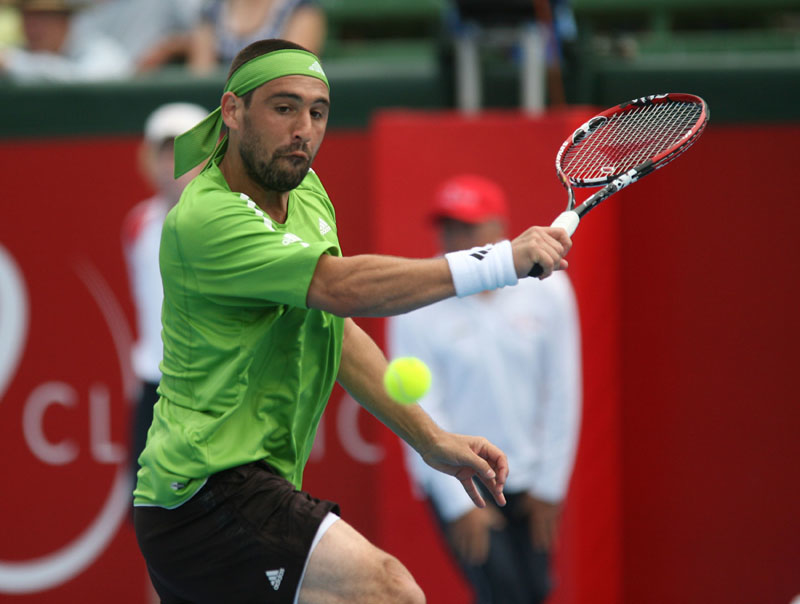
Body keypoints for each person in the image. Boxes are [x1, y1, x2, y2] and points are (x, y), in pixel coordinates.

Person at [132, 38, 572, 603]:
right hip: (205, 491)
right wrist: (498, 261)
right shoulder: (206, 217)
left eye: (318, 112)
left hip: (233, 491)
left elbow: (332, 329)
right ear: (234, 111)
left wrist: (430, 439)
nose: (304, 130)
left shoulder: (306, 192)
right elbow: (338, 288)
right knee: (391, 591)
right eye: (284, 107)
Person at [387, 174, 582, 604]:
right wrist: (458, 503)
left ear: (500, 229)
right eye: (449, 227)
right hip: (461, 479)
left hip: (532, 480)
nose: (456, 240)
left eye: (468, 227)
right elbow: (419, 406)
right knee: (503, 593)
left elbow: (562, 391)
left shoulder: (550, 290)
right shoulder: (416, 302)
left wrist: (550, 487)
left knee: (534, 592)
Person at [122, 102, 209, 494]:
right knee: (150, 510)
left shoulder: (232, 225)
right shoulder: (137, 225)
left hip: (211, 390)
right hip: (154, 390)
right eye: (165, 152)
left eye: (184, 152)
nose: (173, 164)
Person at [0, 0, 132, 82]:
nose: (33, 29)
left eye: (43, 19)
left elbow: (84, 81)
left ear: (65, 22)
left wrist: (14, 62)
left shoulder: (102, 52)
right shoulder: (22, 51)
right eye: (28, 19)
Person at [187, 0, 326, 75]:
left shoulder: (302, 8)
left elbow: (291, 73)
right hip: (222, 105)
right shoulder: (212, 10)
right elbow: (201, 74)